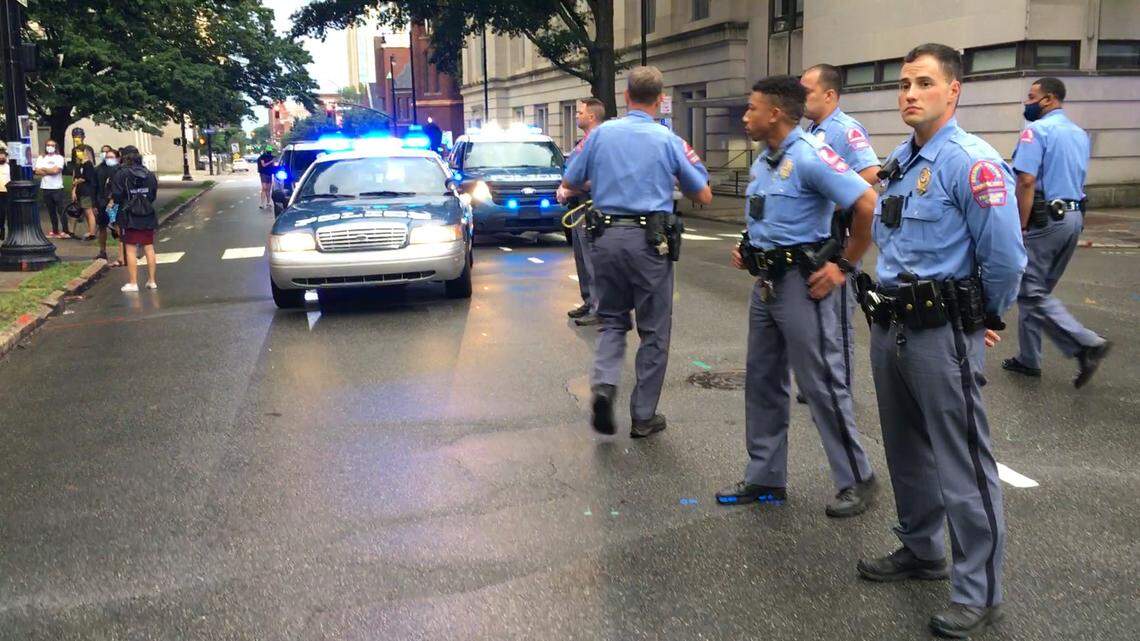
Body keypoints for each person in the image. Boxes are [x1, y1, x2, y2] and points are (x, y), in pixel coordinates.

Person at [855, 44, 1026, 638]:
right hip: (891, 324)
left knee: (963, 462)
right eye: (903, 83)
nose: (908, 93)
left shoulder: (971, 163)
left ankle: (979, 591)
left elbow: (1004, 258)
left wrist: (986, 315)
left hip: (942, 333)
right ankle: (924, 550)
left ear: (953, 91)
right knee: (904, 448)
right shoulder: (900, 161)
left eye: (923, 83)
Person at [715, 76, 878, 518]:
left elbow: (866, 201)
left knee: (821, 382)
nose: (745, 116)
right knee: (764, 379)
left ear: (777, 114)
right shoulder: (764, 162)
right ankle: (766, 478)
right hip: (766, 284)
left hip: (804, 286)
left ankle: (858, 479)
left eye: (751, 108)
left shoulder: (810, 155)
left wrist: (843, 265)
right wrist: (749, 246)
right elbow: (769, 216)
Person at [558, 66, 712, 438]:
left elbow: (570, 180)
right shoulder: (668, 139)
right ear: (660, 100)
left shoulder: (601, 134)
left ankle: (605, 385)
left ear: (626, 98)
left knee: (612, 321)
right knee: (654, 330)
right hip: (649, 243)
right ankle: (643, 416)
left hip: (605, 238)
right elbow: (703, 193)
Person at [1002, 77, 1112, 388]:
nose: (1027, 103)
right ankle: (1029, 359)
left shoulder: (1036, 131)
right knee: (1036, 291)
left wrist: (1019, 226)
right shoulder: (1079, 134)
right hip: (1073, 218)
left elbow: (1025, 181)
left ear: (1048, 100)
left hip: (1043, 220)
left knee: (1030, 290)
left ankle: (1086, 343)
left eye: (1031, 97)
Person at [801, 64, 881, 393]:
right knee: (817, 313)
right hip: (815, 237)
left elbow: (872, 172)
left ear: (830, 95)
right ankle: (817, 381)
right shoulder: (812, 129)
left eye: (807, 91)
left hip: (838, 235)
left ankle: (839, 386)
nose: (801, 97)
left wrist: (835, 199)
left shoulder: (846, 129)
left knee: (838, 316)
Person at [561, 97, 607, 327]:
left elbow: (599, 178)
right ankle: (589, 301)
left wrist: (568, 190)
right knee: (581, 258)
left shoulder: (599, 142)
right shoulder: (585, 141)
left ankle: (599, 308)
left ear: (591, 116)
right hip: (580, 207)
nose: (577, 115)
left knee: (591, 259)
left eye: (580, 112)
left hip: (592, 207)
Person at [111, 146, 159, 292]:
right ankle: (152, 281)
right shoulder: (149, 174)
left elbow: (117, 195)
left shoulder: (121, 174)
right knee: (149, 247)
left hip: (128, 213)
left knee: (130, 249)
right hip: (146, 212)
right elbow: (152, 195)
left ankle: (133, 282)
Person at [34, 140, 69, 238]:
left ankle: (66, 231)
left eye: (52, 145)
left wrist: (44, 169)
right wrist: (50, 170)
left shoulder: (59, 158)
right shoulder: (41, 157)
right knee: (51, 210)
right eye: (48, 145)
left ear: (56, 147)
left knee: (61, 210)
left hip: (57, 188)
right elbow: (37, 171)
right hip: (46, 187)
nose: (50, 147)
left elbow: (56, 170)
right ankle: (55, 230)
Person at [70, 127, 99, 240]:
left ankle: (92, 233)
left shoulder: (88, 163)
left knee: (88, 209)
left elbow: (88, 176)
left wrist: (78, 181)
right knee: (78, 209)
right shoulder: (75, 153)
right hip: (80, 187)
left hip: (87, 187)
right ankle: (75, 231)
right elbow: (75, 171)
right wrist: (74, 186)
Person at [95, 147, 123, 265]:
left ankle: (122, 254)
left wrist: (112, 199)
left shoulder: (119, 170)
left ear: (117, 158)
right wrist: (94, 204)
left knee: (117, 226)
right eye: (107, 157)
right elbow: (95, 186)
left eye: (111, 157)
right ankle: (102, 251)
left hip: (114, 203)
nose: (108, 159)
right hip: (101, 202)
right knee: (102, 227)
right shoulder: (99, 170)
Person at [0, 148, 9, 241]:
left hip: (7, 193)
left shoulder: (9, 167)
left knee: (7, 213)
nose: (1, 158)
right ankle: (1, 231)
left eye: (3, 156)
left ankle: (6, 232)